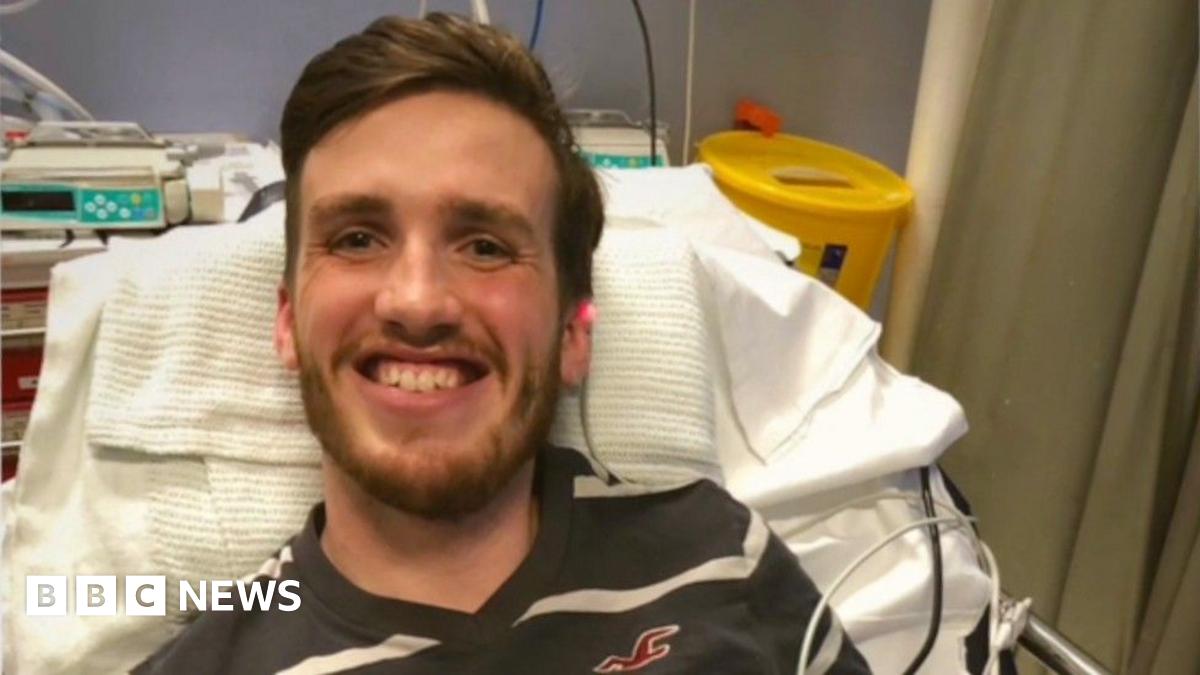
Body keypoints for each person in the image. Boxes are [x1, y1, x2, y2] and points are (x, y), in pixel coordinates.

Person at [134, 13, 869, 674]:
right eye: (357, 238)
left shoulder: (717, 556)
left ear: (572, 337)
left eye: (485, 246)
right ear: (289, 324)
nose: (417, 301)